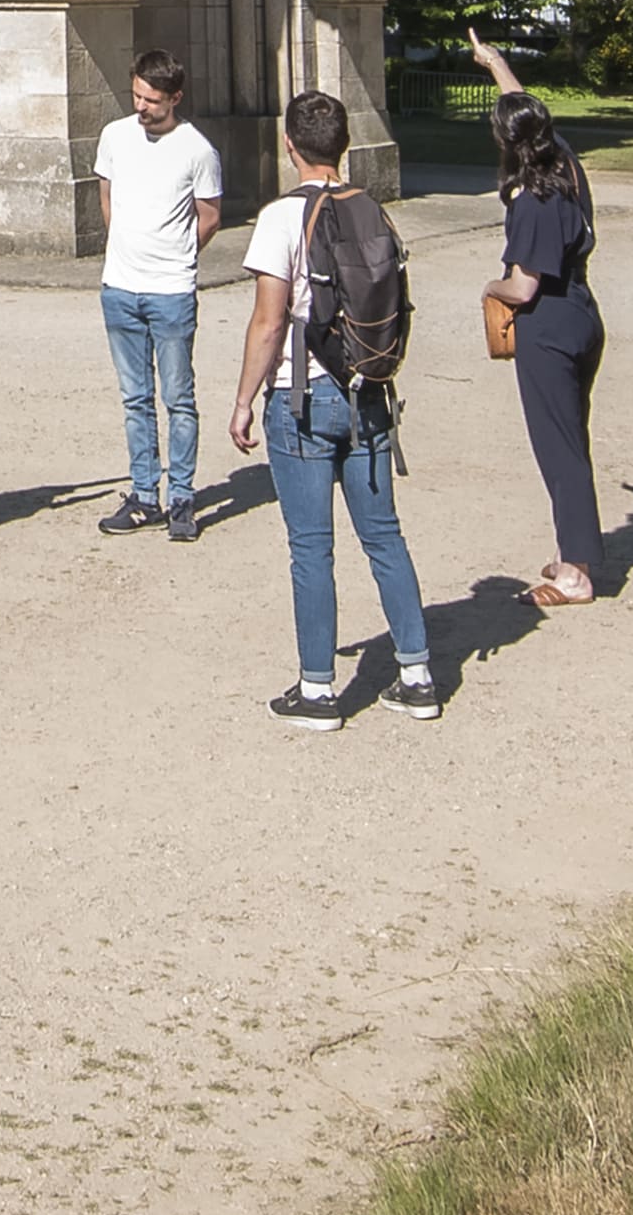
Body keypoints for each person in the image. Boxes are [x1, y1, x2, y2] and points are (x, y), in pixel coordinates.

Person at [225, 86, 442, 724]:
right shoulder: (373, 209)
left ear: (288, 144)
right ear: (343, 146)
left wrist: (242, 402)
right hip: (369, 389)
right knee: (384, 538)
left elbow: (269, 322)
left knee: (311, 548)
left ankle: (318, 690)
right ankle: (417, 671)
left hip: (305, 394)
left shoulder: (280, 218)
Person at [464, 43, 610, 605]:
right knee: (573, 440)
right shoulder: (565, 164)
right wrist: (496, 64)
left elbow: (522, 286)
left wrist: (488, 287)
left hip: (545, 325)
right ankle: (573, 549)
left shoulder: (529, 201)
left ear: (506, 143)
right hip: (581, 312)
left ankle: (575, 575)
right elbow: (524, 109)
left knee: (559, 450)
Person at [89, 50, 227, 537]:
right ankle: (145, 494)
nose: (142, 107)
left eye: (152, 100)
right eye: (137, 97)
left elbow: (209, 213)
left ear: (175, 98)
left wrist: (180, 254)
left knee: (179, 397)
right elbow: (107, 195)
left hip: (171, 290)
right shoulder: (115, 136)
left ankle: (182, 496)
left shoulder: (197, 149)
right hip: (121, 286)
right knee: (135, 398)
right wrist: (122, 246)